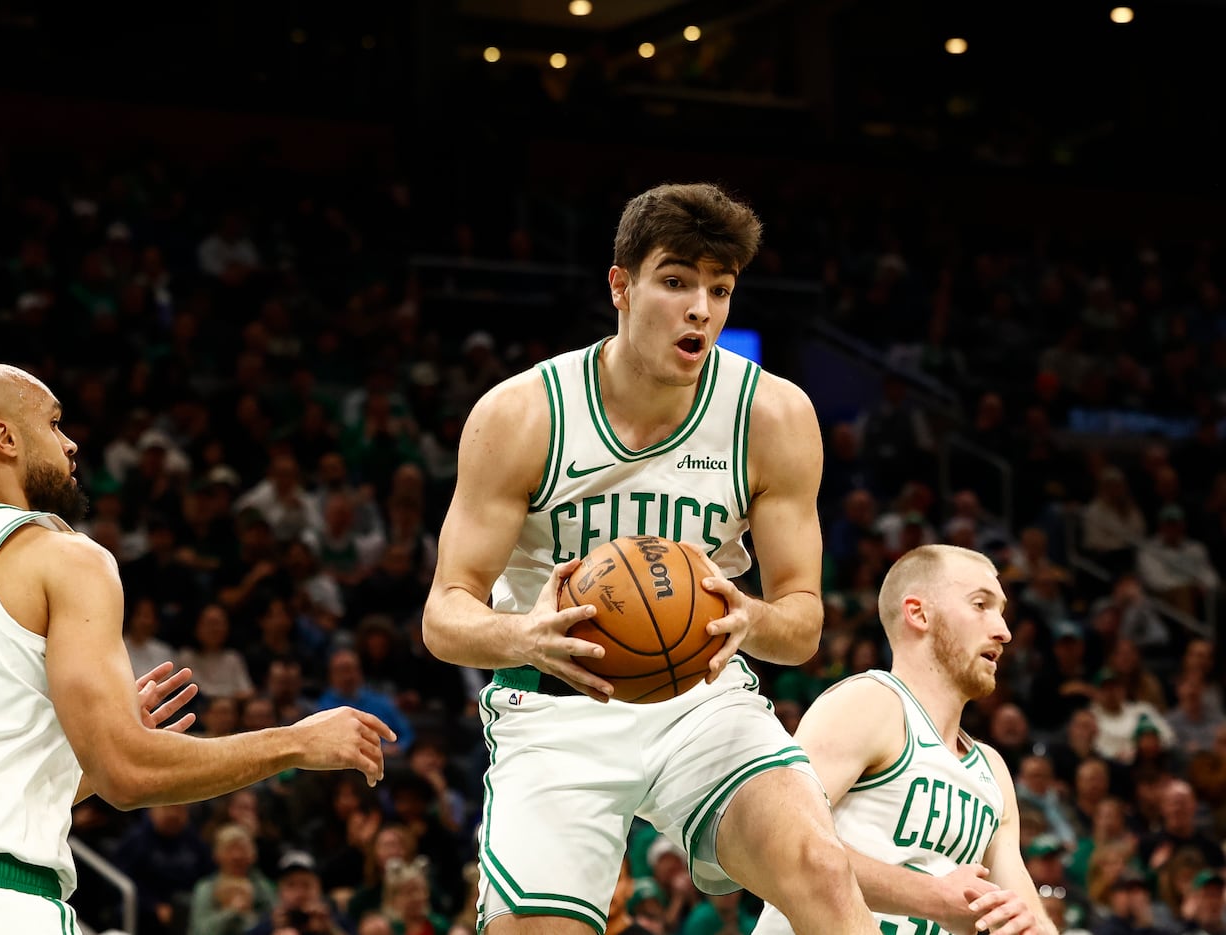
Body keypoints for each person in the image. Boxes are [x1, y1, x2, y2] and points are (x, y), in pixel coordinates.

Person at [422, 182, 877, 935]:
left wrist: (750, 615)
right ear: (621, 286)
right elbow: (445, 613)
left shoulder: (774, 416)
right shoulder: (523, 413)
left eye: (720, 289)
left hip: (704, 700)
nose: (701, 307)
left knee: (823, 869)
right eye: (676, 281)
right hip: (555, 705)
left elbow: (801, 626)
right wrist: (522, 636)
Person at [0, 363, 395, 935]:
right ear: (6, 437)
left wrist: (80, 747)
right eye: (54, 423)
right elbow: (127, 774)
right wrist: (295, 741)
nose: (70, 444)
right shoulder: (62, 556)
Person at [755, 544, 1057, 935]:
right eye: (981, 605)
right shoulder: (871, 703)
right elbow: (778, 847)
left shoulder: (992, 770)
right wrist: (934, 898)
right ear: (918, 613)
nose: (1003, 631)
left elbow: (1029, 916)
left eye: (1001, 611)